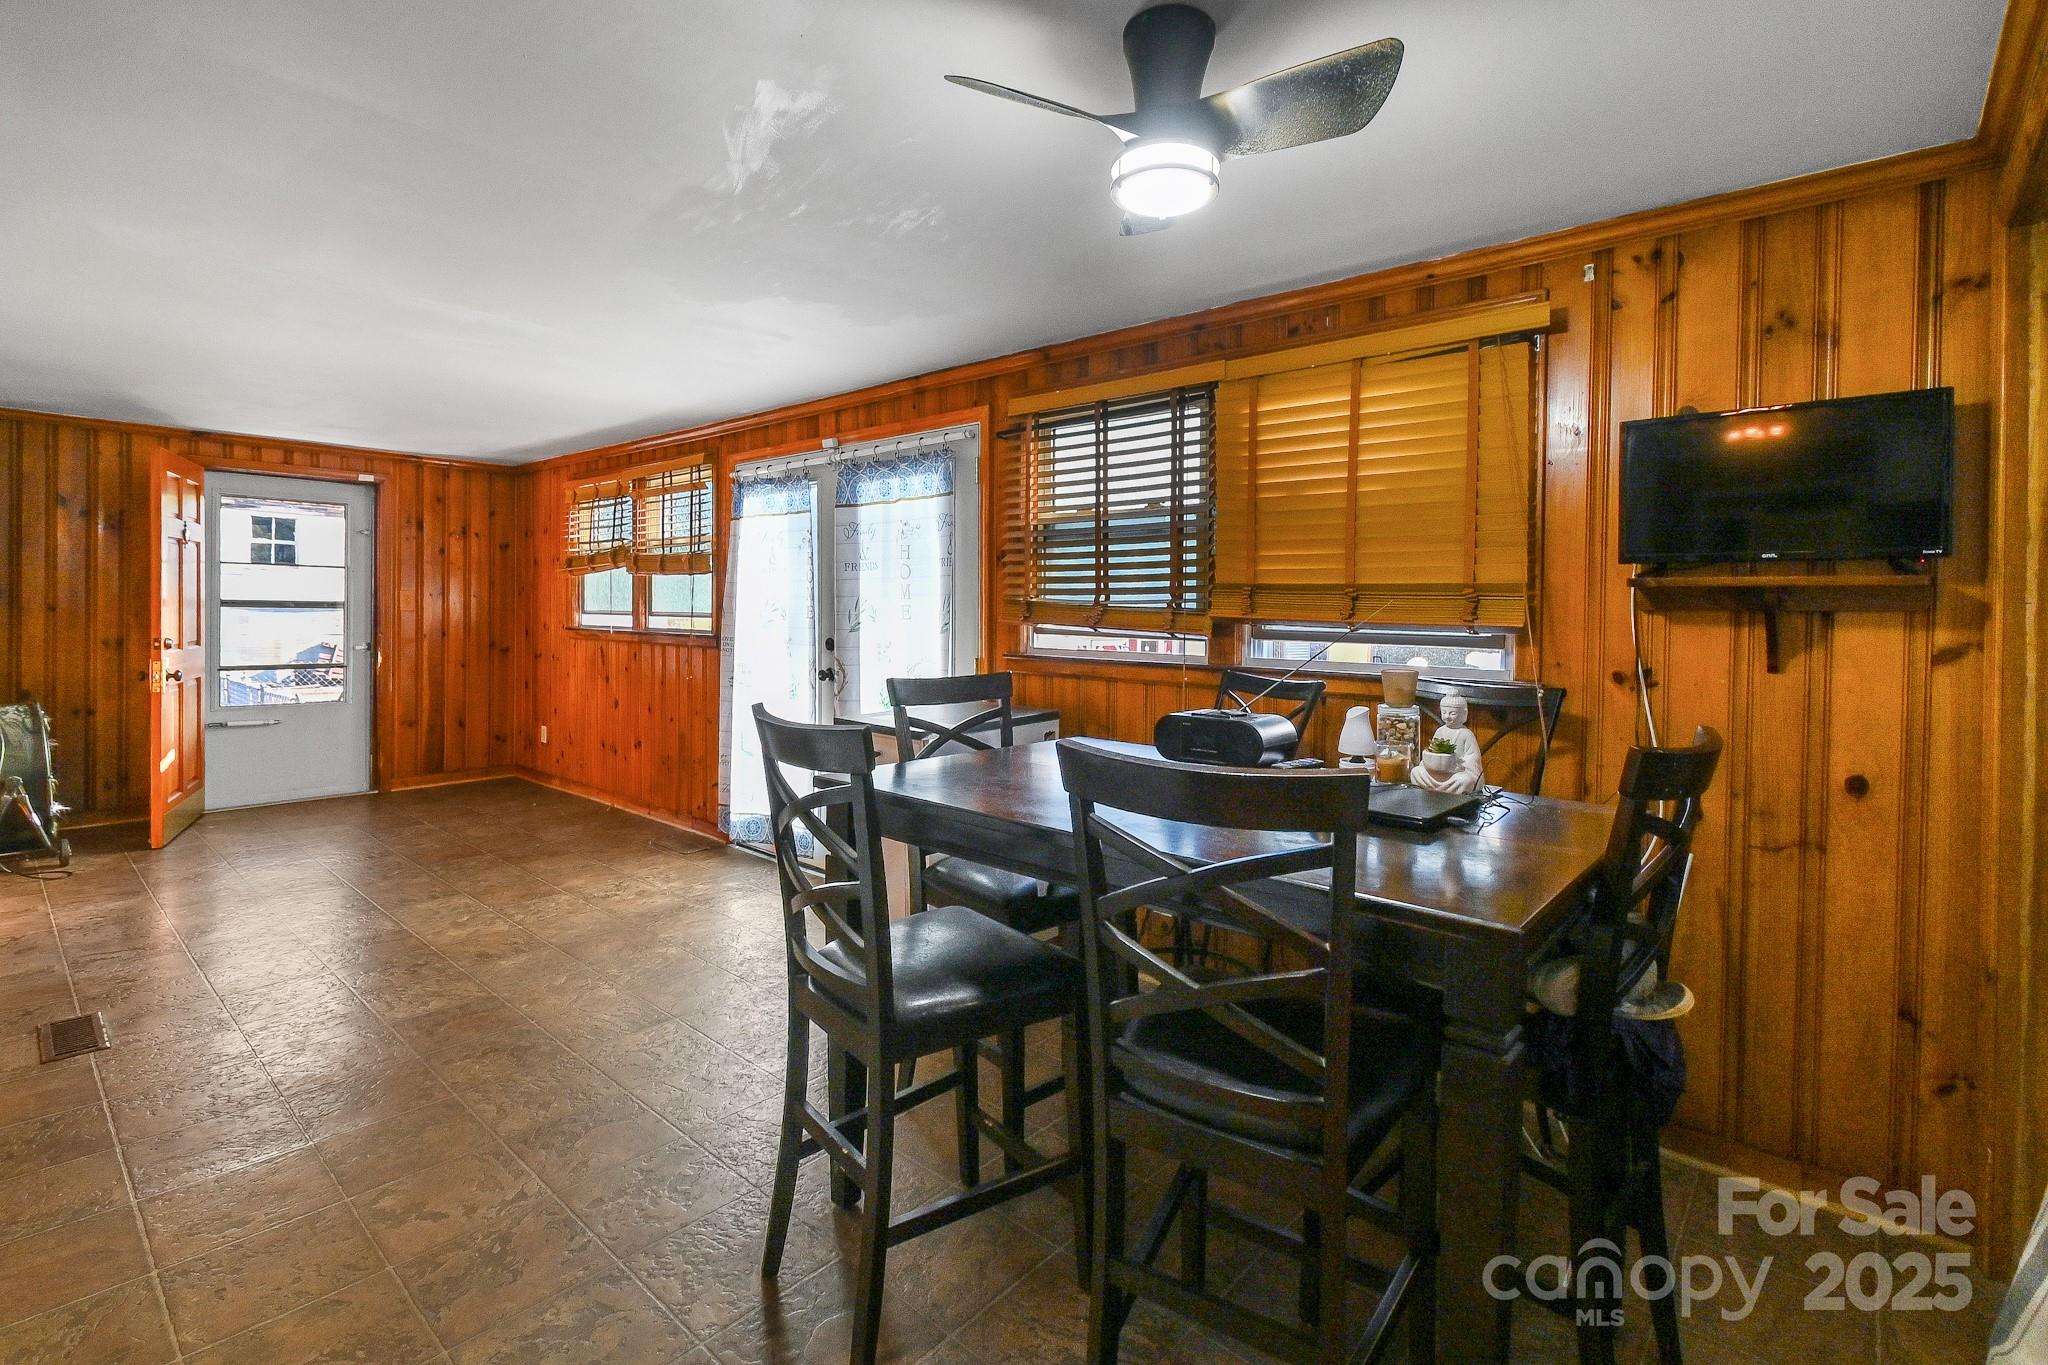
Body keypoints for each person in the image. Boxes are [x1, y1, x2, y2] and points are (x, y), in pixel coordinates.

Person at [1410, 690, 1484, 793]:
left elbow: (1473, 759)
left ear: (1464, 713)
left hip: (1455, 774)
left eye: (1452, 713)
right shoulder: (1440, 731)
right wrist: (1428, 761)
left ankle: (1447, 790)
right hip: (1436, 772)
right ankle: (1436, 789)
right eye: (1444, 712)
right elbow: (1432, 750)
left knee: (1465, 781)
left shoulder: (1466, 734)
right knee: (1416, 772)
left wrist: (1457, 763)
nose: (1447, 716)